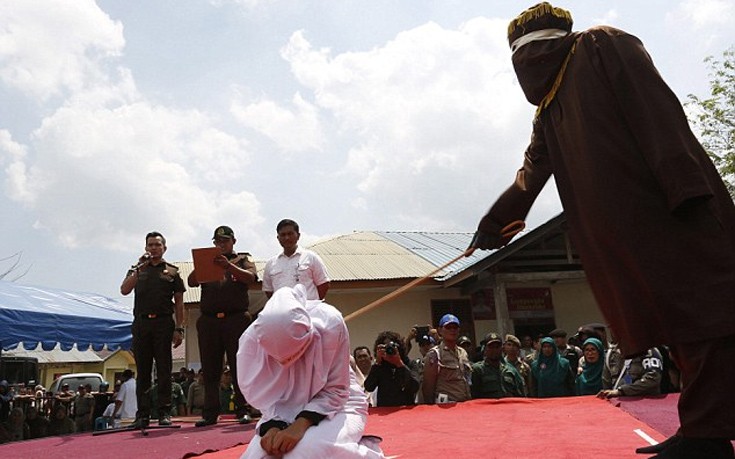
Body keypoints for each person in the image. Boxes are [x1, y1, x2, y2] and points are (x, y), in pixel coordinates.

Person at [469, 3, 735, 457]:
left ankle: (708, 435)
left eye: (533, 52)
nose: (529, 64)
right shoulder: (550, 106)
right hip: (630, 230)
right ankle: (699, 427)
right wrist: (494, 226)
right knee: (680, 325)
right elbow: (530, 176)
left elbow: (658, 113)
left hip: (672, 209)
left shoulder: (599, 46)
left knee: (706, 320)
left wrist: (685, 188)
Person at [236, 285, 384, 458]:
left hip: (340, 405)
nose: (288, 363)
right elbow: (263, 398)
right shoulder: (250, 343)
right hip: (280, 413)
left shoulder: (330, 322)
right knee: (258, 456)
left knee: (302, 452)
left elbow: (337, 389)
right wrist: (273, 426)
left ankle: (367, 452)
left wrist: (300, 425)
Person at [188, 225, 258, 427]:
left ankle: (243, 409)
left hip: (236, 319)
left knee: (240, 366)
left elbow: (250, 278)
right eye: (217, 242)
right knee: (210, 368)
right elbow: (192, 282)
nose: (221, 244)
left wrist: (228, 266)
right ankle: (210, 413)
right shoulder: (208, 261)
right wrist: (203, 263)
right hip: (209, 320)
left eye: (224, 241)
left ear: (233, 242)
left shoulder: (243, 259)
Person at [120, 231, 186, 428]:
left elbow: (180, 303)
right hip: (141, 324)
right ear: (145, 248)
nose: (154, 248)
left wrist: (179, 328)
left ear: (164, 248)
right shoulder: (137, 269)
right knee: (143, 370)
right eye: (150, 245)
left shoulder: (172, 272)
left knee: (164, 368)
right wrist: (139, 268)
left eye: (157, 245)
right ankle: (143, 415)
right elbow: (124, 290)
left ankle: (165, 412)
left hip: (163, 323)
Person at [261, 219, 330, 300]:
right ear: (278, 238)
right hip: (282, 311)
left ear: (298, 235)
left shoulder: (311, 257)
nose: (287, 238)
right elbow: (269, 291)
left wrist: (311, 304)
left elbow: (323, 284)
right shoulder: (271, 263)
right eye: (283, 235)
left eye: (290, 234)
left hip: (307, 309)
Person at [422, 314, 472, 404]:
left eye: (455, 327)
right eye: (448, 327)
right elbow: (428, 387)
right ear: (440, 330)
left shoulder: (463, 353)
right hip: (445, 406)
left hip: (464, 404)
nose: (452, 330)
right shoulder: (435, 354)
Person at [363, 331, 420, 407]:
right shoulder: (380, 366)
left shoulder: (410, 363)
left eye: (391, 346)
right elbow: (369, 387)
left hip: (405, 409)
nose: (389, 350)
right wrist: (377, 363)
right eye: (385, 347)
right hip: (385, 410)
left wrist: (399, 364)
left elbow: (414, 387)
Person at [471, 332, 524, 399]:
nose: (495, 350)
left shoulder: (511, 369)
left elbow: (520, 395)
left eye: (497, 347)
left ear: (502, 348)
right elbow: (474, 397)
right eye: (491, 347)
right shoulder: (478, 370)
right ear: (485, 349)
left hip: (509, 407)